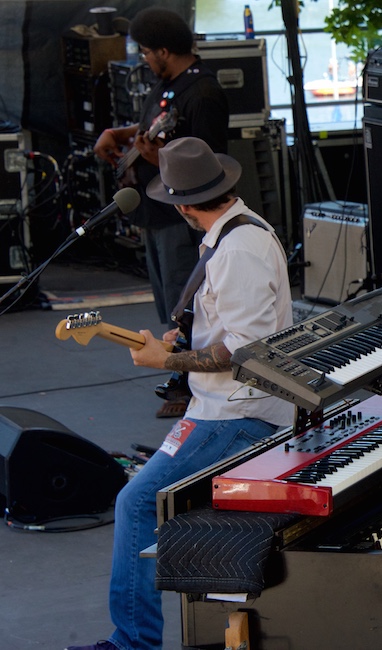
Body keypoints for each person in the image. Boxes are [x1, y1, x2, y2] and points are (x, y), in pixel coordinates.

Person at [66, 137, 295, 650]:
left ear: (183, 204)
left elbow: (245, 351)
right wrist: (186, 338)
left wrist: (165, 359)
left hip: (238, 413)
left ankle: (133, 643)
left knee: (137, 503)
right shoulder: (237, 229)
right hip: (224, 406)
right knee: (143, 500)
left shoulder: (237, 250)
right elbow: (230, 327)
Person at [93, 7, 229, 419]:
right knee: (166, 302)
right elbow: (147, 129)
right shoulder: (165, 85)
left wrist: (159, 157)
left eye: (147, 52)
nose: (144, 60)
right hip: (156, 210)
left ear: (165, 51)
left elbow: (210, 160)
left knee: (183, 301)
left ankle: (190, 385)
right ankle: (178, 374)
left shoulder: (202, 93)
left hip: (182, 217)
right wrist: (121, 136)